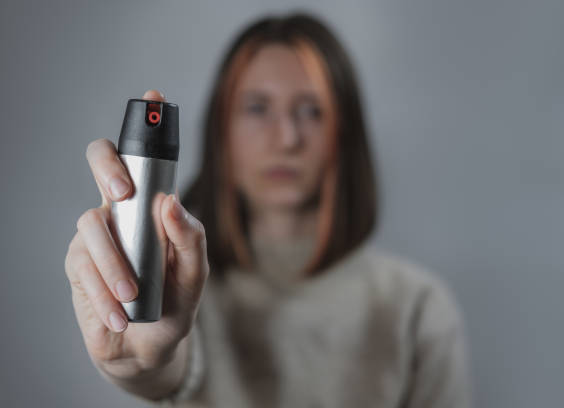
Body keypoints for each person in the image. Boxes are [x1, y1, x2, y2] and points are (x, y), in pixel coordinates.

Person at [64, 12, 472, 407]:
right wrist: (139, 361)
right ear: (221, 131)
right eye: (258, 108)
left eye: (312, 110)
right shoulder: (176, 287)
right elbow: (164, 366)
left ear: (345, 133)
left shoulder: (416, 308)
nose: (287, 138)